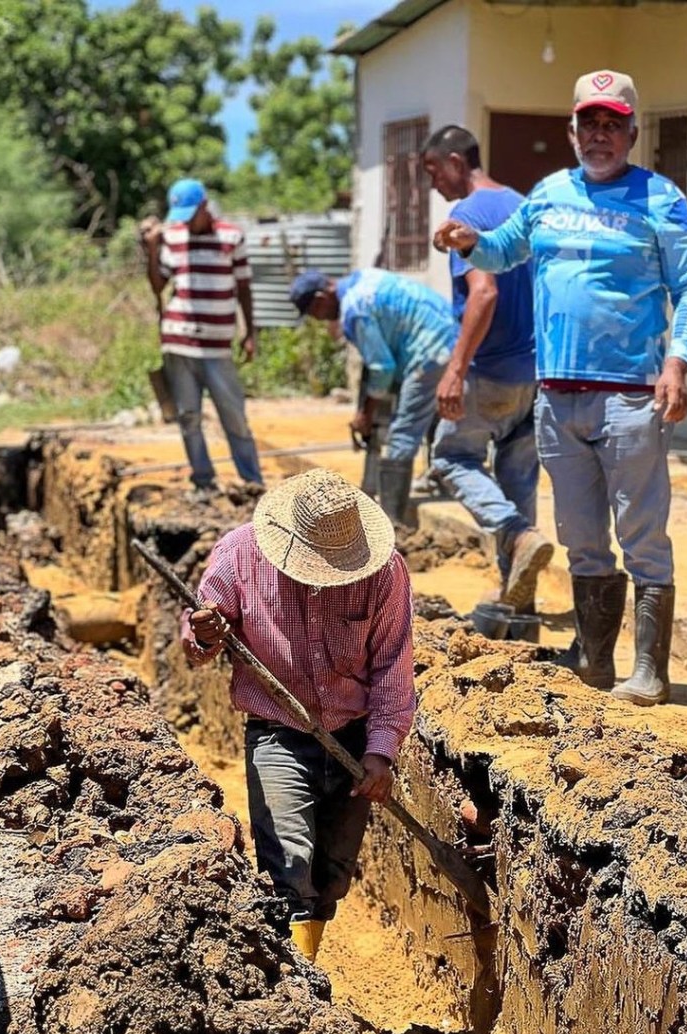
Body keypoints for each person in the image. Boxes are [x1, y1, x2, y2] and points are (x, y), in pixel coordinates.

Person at [434, 71, 687, 706]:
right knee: (582, 535)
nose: (600, 134)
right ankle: (594, 659)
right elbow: (503, 251)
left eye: (613, 123)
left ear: (634, 132)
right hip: (556, 396)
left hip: (632, 395)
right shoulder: (550, 193)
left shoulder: (661, 200)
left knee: (642, 534)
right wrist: (471, 242)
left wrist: (679, 362)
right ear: (572, 130)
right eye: (590, 122)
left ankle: (650, 671)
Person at [180, 468, 415, 962]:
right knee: (288, 865)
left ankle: (306, 963)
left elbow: (394, 664)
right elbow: (200, 638)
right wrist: (206, 632)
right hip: (278, 734)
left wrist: (381, 752)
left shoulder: (384, 573)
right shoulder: (242, 553)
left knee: (331, 876)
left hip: (351, 739)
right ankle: (297, 990)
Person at [421, 125, 553, 609]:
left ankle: (517, 535)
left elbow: (484, 291)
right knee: (518, 479)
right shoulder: (522, 204)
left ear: (457, 162)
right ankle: (519, 597)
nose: (434, 184)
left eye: (434, 171)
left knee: (451, 458)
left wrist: (456, 368)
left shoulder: (467, 215)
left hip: (491, 370)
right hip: (533, 371)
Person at [288, 268, 455, 526]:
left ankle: (392, 520)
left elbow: (381, 367)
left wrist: (366, 413)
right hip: (453, 337)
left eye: (315, 314)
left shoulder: (356, 309)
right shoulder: (363, 279)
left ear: (322, 298)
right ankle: (442, 482)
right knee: (436, 418)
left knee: (403, 431)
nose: (320, 320)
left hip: (429, 351)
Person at [143, 177, 264, 495]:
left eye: (191, 215)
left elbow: (244, 287)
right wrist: (152, 251)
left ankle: (252, 482)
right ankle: (203, 480)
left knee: (233, 414)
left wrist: (250, 331)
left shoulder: (231, 237)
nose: (188, 224)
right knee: (188, 415)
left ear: (204, 207)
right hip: (178, 341)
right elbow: (159, 285)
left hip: (217, 344)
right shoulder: (173, 238)